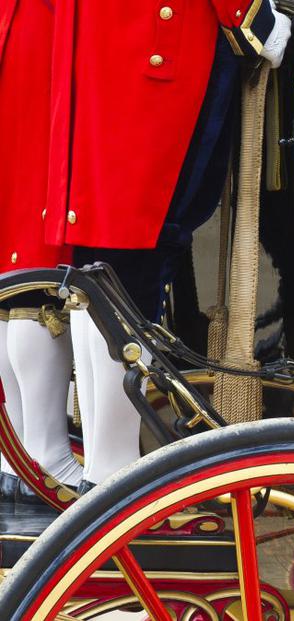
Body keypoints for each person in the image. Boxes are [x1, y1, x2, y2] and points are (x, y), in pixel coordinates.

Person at [46, 0, 291, 493]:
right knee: (132, 258)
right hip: (161, 47)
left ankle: (103, 466)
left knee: (104, 260)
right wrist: (255, 19)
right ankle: (112, 472)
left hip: (105, 47)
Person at [0, 0, 81, 503]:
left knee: (14, 254)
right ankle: (45, 452)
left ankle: (16, 457)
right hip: (48, 30)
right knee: (35, 259)